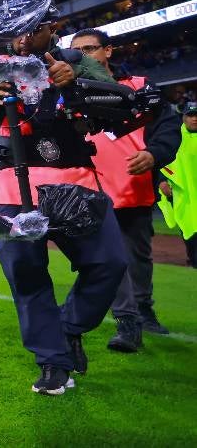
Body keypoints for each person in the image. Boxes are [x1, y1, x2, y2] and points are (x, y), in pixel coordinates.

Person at [0, 14, 127, 396]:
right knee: (27, 276)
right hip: (11, 184)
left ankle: (69, 328)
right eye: (14, 31)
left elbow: (116, 97)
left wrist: (77, 82)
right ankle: (52, 362)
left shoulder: (76, 60)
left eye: (33, 29)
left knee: (110, 262)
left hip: (74, 177)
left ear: (53, 27)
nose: (22, 39)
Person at [71, 29, 181, 347]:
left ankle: (144, 309)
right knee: (112, 259)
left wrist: (153, 154)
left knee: (139, 257)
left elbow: (167, 125)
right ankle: (128, 322)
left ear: (108, 51)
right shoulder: (68, 95)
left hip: (134, 187)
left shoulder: (138, 87)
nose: (81, 56)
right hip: (89, 192)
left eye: (89, 49)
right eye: (75, 51)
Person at [157, 101, 197, 268]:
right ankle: (193, 257)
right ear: (183, 117)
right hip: (181, 190)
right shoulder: (175, 136)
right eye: (190, 115)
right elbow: (161, 156)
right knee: (186, 223)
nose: (194, 119)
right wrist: (161, 180)